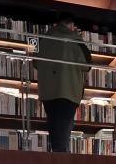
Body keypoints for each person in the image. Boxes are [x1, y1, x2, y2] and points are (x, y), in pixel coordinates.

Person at [35, 12, 91, 153]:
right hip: (68, 91)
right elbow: (87, 65)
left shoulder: (44, 39)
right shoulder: (75, 40)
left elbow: (35, 62)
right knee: (63, 131)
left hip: (48, 91)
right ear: (71, 25)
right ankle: (61, 163)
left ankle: (57, 160)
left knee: (54, 129)